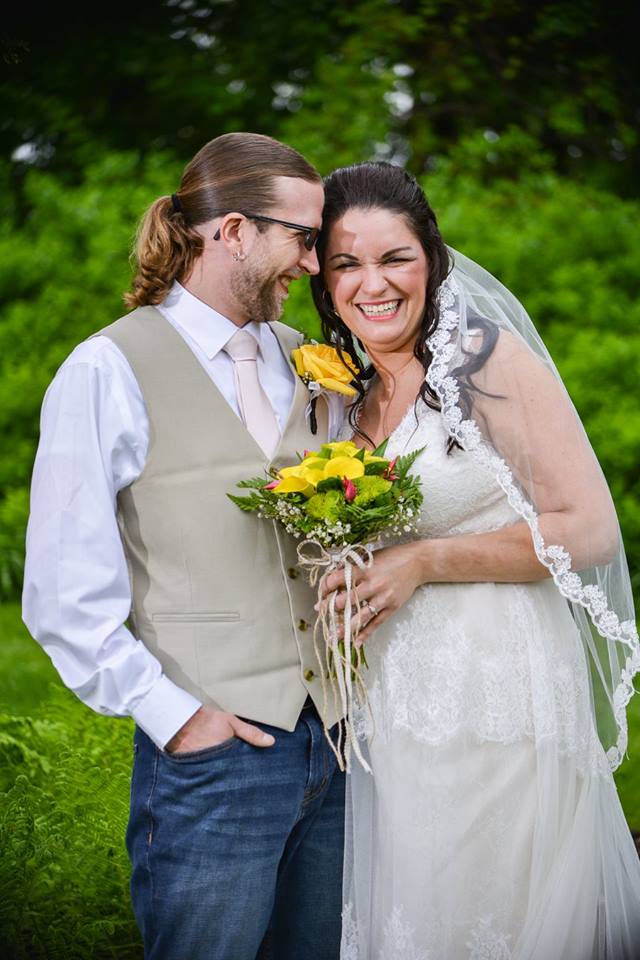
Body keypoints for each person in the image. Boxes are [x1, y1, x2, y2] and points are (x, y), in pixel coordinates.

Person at [22, 132, 346, 960]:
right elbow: (65, 596)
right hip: (215, 758)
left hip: (341, 750)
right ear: (232, 231)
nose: (313, 266)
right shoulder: (105, 371)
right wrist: (177, 719)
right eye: (303, 239)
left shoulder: (303, 361)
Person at [310, 161, 640, 959]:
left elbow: (589, 527)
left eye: (396, 258)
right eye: (347, 262)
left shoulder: (486, 365)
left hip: (497, 691)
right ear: (322, 277)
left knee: (493, 909)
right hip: (390, 703)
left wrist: (426, 560)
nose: (373, 284)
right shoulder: (335, 391)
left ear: (433, 258)